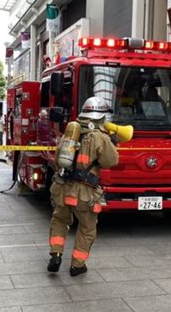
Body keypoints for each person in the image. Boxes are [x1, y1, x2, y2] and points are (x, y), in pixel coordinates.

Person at [47, 96, 119, 276]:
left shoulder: (70, 131)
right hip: (84, 192)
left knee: (60, 221)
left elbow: (58, 159)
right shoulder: (99, 136)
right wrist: (112, 142)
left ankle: (55, 254)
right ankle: (77, 265)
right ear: (101, 117)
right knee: (87, 228)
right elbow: (111, 161)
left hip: (62, 186)